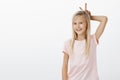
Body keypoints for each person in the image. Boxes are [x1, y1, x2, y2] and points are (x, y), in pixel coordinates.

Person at [62, 3, 108, 80]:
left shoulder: (93, 40)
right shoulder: (68, 43)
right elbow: (65, 66)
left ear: (86, 24)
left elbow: (104, 19)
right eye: (75, 23)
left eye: (81, 23)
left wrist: (89, 17)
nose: (78, 26)